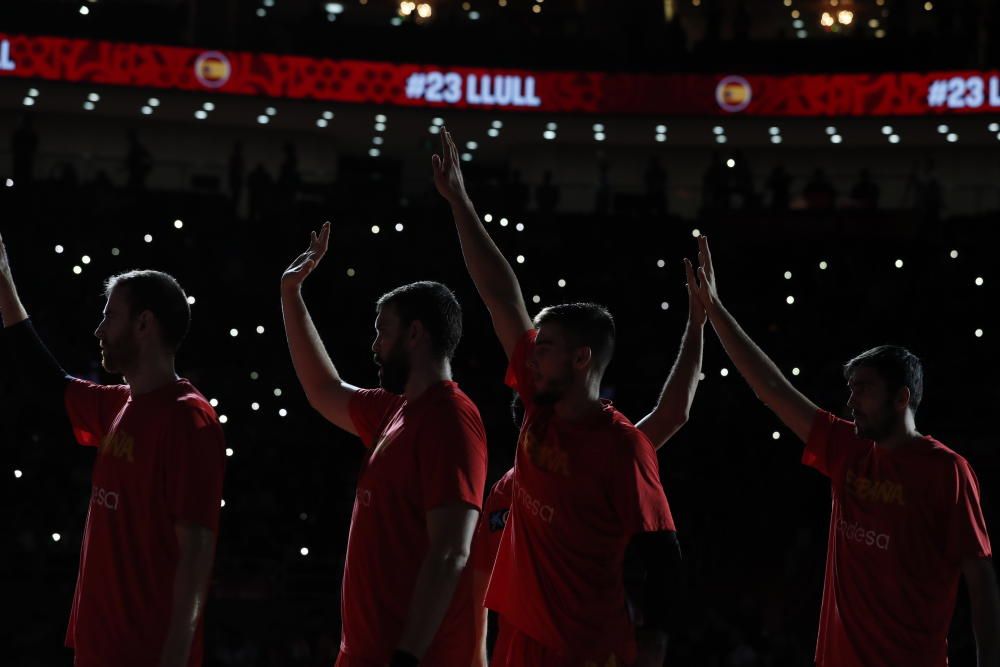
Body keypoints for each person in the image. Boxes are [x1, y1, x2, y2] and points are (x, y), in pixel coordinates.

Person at [432, 129, 686, 667]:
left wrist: (655, 643)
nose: (533, 356)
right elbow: (502, 295)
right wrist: (461, 202)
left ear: (580, 359)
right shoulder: (539, 405)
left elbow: (663, 554)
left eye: (545, 348)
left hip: (589, 647)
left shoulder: (623, 447)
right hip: (522, 637)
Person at [687, 234, 1000, 667]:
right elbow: (772, 388)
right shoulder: (846, 447)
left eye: (864, 390)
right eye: (850, 390)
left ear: (901, 398)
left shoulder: (946, 470)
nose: (851, 402)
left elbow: (979, 575)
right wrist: (717, 312)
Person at [0, 233, 225, 667]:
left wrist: (175, 657)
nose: (99, 330)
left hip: (144, 652)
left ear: (144, 324)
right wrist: (4, 280)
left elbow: (196, 552)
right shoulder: (119, 404)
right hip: (99, 646)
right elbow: (46, 383)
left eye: (110, 317)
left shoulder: (188, 420)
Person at [280, 222, 488, 667]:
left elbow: (452, 549)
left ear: (415, 334)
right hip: (366, 654)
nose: (374, 345)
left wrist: (407, 655)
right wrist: (291, 295)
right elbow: (323, 388)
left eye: (383, 331)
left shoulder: (451, 419)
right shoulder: (393, 410)